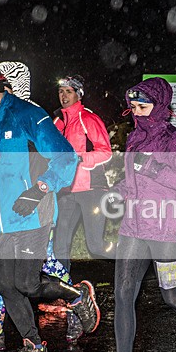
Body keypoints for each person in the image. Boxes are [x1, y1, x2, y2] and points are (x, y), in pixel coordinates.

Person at [0, 59, 99, 352]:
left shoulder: (27, 115)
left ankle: (76, 297)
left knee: (26, 283)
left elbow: (65, 156)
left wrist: (40, 188)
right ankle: (34, 346)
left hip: (32, 215)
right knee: (6, 285)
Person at [95, 77, 176, 352]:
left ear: (159, 106)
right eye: (133, 107)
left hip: (168, 229)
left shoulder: (175, 140)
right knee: (123, 293)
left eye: (143, 106)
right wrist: (117, 190)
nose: (138, 112)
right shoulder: (134, 138)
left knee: (172, 296)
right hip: (134, 227)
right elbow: (133, 180)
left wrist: (153, 168)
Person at [52, 75, 114, 272]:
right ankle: (63, 290)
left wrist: (80, 159)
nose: (63, 95)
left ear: (79, 95)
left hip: (91, 189)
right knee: (60, 245)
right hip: (67, 189)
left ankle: (133, 258)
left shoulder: (88, 118)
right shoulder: (58, 122)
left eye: (68, 91)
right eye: (61, 91)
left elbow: (106, 152)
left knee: (96, 246)